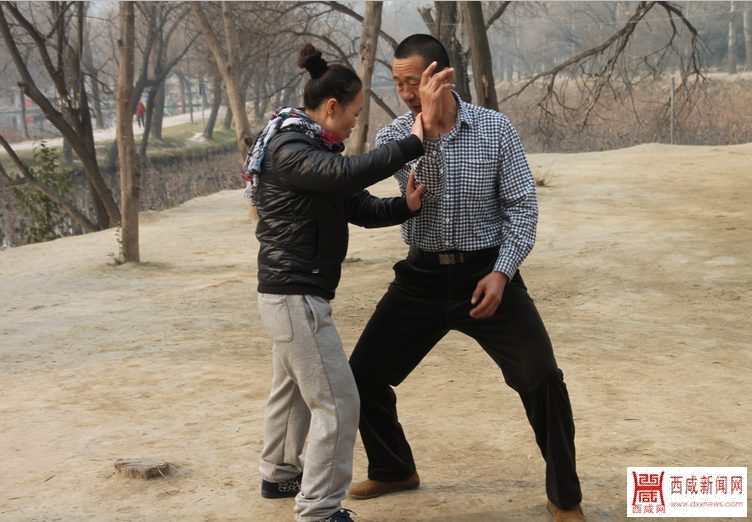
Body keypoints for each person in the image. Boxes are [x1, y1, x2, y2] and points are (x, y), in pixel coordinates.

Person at [347, 34, 586, 522]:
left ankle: (565, 498)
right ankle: (394, 469)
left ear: (441, 76)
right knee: (360, 377)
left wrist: (502, 273)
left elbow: (522, 208)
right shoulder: (396, 137)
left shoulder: (495, 129)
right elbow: (425, 194)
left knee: (543, 377)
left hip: (488, 274)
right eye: (398, 83)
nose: (406, 93)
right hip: (420, 278)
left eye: (413, 82)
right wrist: (429, 133)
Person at [246, 42, 451, 522]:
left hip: (290, 295)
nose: (358, 122)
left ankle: (279, 474)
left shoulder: (312, 148)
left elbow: (355, 203)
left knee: (292, 391)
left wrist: (404, 206)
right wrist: (414, 140)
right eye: (356, 113)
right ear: (333, 106)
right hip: (295, 295)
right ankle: (319, 509)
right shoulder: (290, 149)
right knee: (339, 403)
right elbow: (346, 173)